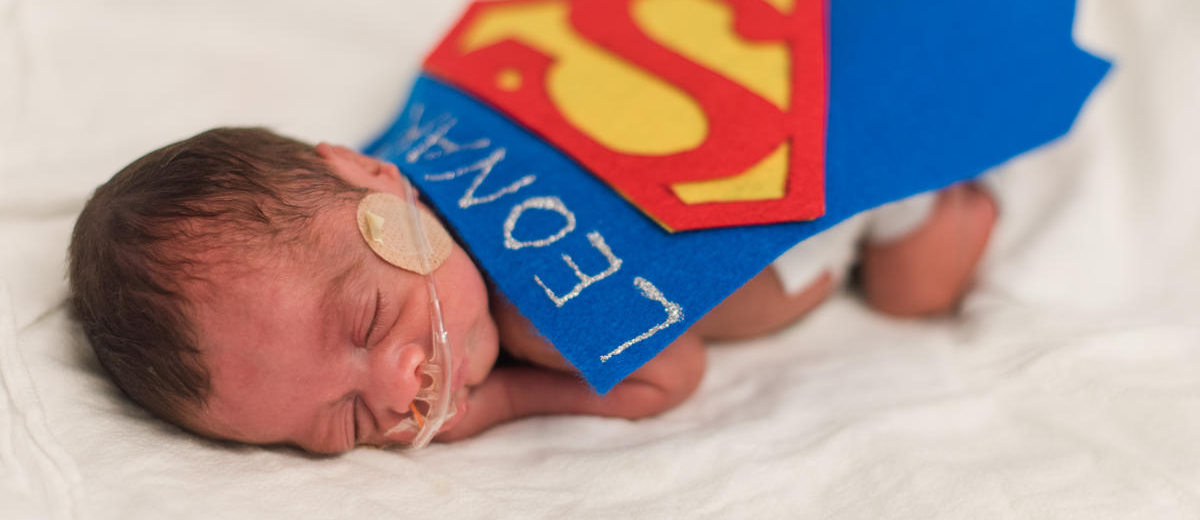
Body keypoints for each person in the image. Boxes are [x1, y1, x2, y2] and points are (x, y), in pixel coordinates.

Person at [68, 127, 996, 454]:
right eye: (347, 423)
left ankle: (968, 192)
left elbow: (671, 373)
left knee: (915, 291)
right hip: (773, 154)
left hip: (841, 197)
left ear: (366, 173)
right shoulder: (419, 180)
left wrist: (509, 394)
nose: (398, 393)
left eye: (365, 322)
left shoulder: (536, 308)